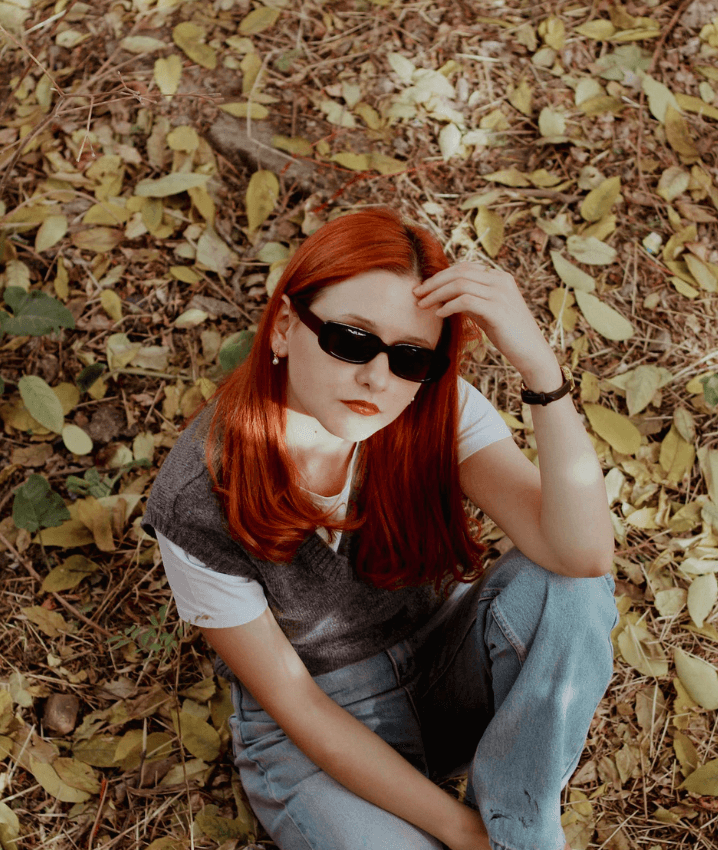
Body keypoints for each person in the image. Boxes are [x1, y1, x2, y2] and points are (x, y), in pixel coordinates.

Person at [142, 207, 618, 850]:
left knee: (567, 590)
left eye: (410, 357)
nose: (376, 377)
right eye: (350, 340)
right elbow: (298, 706)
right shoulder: (196, 495)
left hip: (443, 666)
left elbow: (582, 557)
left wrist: (539, 369)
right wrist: (460, 830)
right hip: (319, 731)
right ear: (284, 327)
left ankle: (523, 831)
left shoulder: (430, 412)